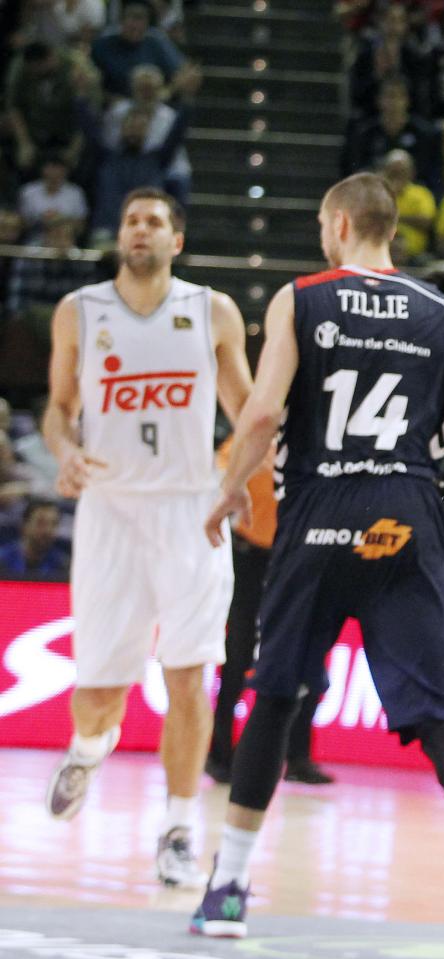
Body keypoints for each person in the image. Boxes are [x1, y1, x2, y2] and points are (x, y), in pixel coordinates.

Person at [192, 173, 444, 939]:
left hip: (319, 511)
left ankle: (229, 889)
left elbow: (263, 413)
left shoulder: (301, 298)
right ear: (389, 228)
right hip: (410, 514)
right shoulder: (442, 311)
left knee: (276, 698)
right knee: (441, 718)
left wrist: (231, 489)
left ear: (338, 224)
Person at [40, 188, 253, 889]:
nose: (140, 230)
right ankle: (87, 745)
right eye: (131, 220)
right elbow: (58, 410)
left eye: (154, 222)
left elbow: (247, 410)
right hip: (110, 508)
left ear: (176, 241)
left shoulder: (212, 311)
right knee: (100, 691)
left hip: (191, 509)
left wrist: (243, 477)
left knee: (189, 677)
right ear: (120, 236)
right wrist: (65, 450)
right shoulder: (79, 311)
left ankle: (178, 833)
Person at [204, 443, 330, 787]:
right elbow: (219, 476)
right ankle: (219, 754)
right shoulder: (246, 439)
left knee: (305, 653)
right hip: (249, 554)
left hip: (296, 554)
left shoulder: (313, 440)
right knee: (238, 654)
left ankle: (298, 757)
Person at [0, 498, 68, 575]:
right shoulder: (3, 560)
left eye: (54, 524)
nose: (48, 530)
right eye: (41, 523)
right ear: (24, 525)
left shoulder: (62, 565)